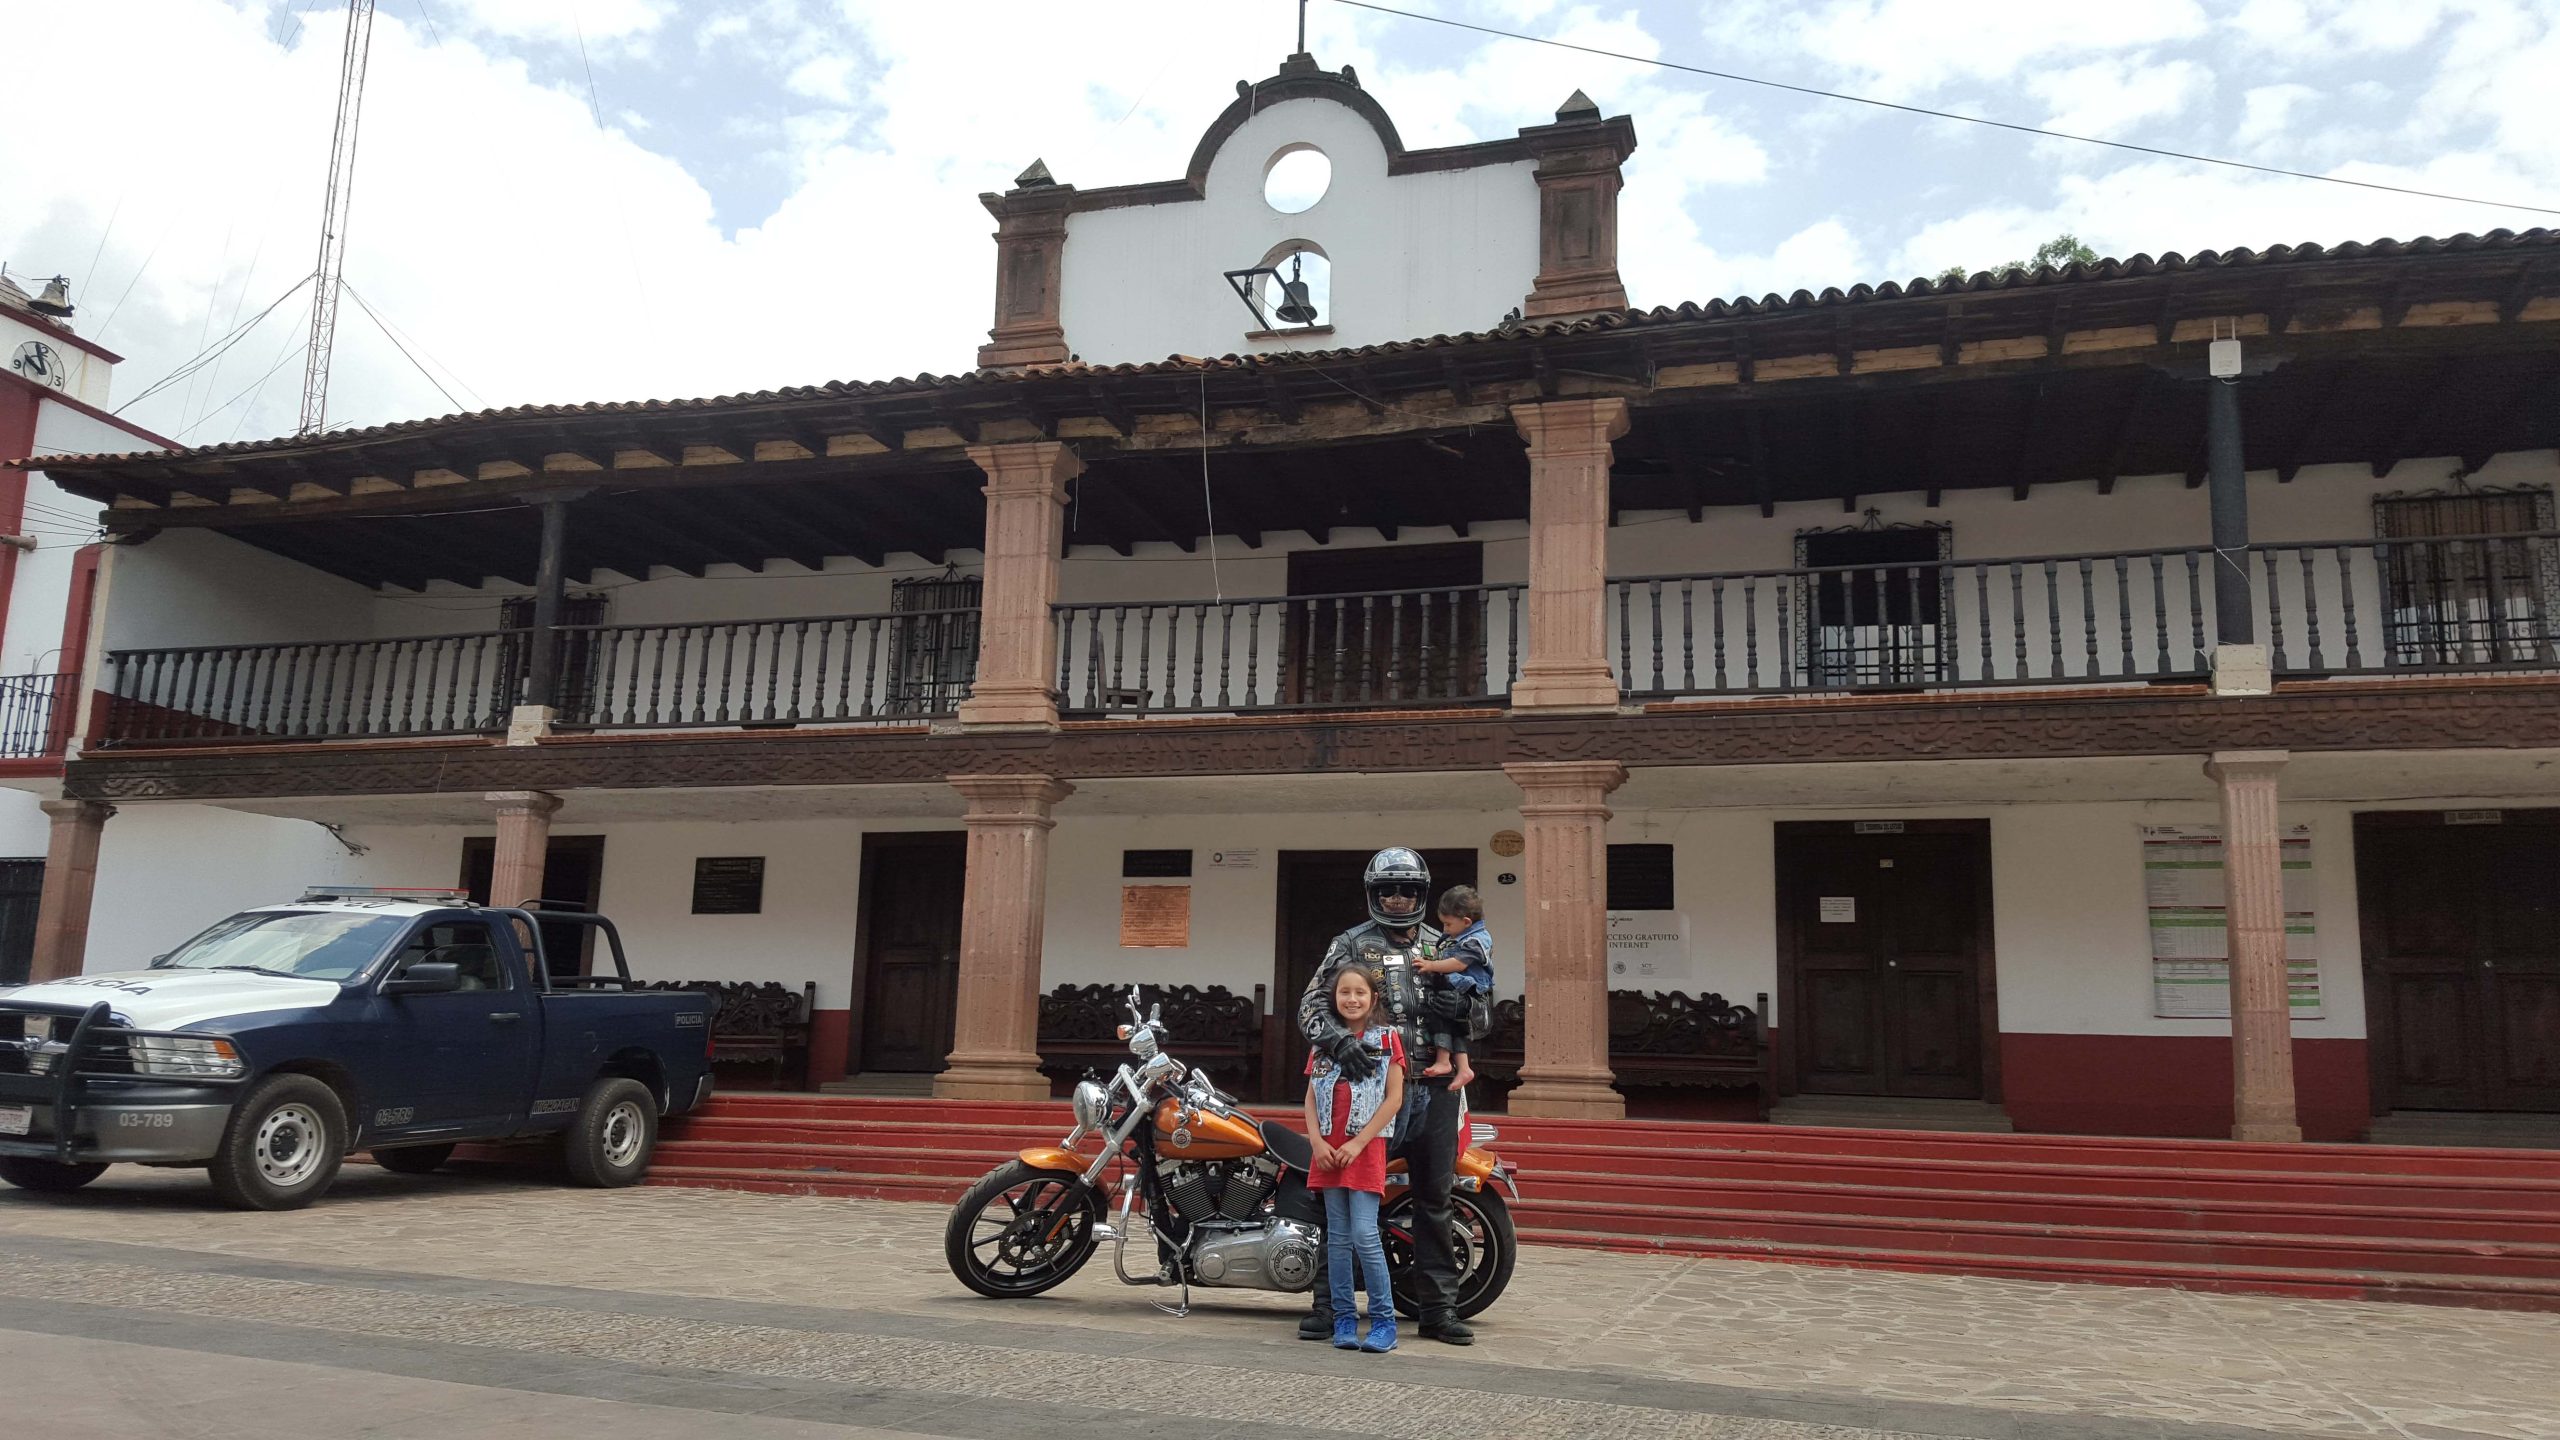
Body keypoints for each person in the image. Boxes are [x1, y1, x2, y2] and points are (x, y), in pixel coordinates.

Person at [1295, 846, 1474, 1346]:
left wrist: (1459, 1002)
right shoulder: (1348, 945)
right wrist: (1339, 1042)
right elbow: (1311, 1008)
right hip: (1366, 1088)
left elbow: (1481, 1017)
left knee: (1435, 1200)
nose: (1398, 899)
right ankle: (1330, 1307)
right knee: (1342, 1192)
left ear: (1422, 894)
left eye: (1408, 890)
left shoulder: (1448, 945)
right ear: (1374, 893)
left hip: (1434, 1087)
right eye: (1388, 890)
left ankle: (1438, 1310)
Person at [1303, 963, 1405, 1352]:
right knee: (1339, 1238)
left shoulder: (1387, 1039)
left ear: (1373, 999)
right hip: (1328, 1151)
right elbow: (1311, 1096)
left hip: (1364, 1149)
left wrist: (1358, 1143)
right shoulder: (1323, 1042)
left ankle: (1383, 1321)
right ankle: (1344, 1319)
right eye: (1344, 992)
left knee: (1364, 1234)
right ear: (1334, 998)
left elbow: (1393, 1099)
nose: (1351, 999)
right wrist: (1316, 1142)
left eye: (1359, 992)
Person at [1417, 884, 1493, 1090]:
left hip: (1465, 986)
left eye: (1448, 924)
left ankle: (1443, 1061)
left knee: (1441, 1018)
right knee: (1453, 1027)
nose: (1444, 929)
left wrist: (1431, 965)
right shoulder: (1455, 936)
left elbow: (1459, 964)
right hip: (1453, 985)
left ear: (1466, 922)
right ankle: (1464, 1068)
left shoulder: (1476, 940)